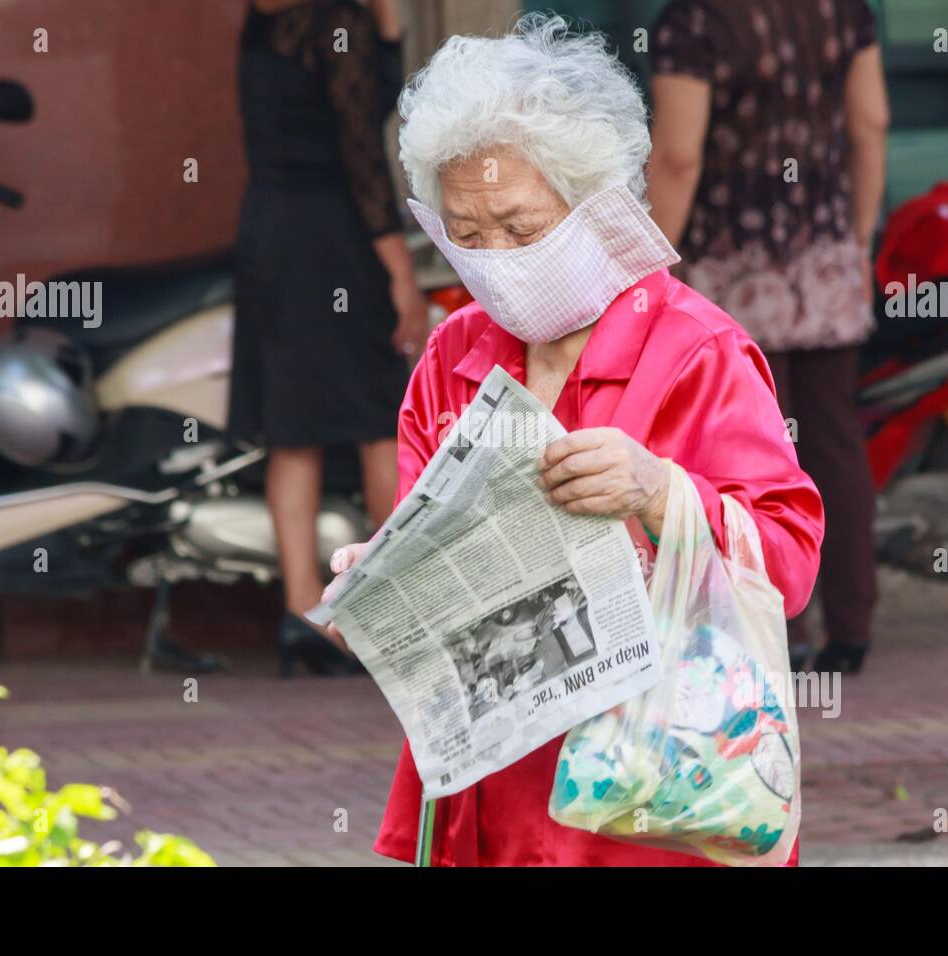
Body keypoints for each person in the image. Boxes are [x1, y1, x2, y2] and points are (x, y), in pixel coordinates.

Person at [324, 15, 823, 867]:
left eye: (520, 229)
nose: (493, 259)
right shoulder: (453, 354)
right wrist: (376, 594)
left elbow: (789, 560)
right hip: (484, 791)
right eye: (466, 235)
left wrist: (659, 491)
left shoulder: (696, 350)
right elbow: (428, 542)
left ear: (596, 205)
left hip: (645, 795)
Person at [646, 0, 889, 675]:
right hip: (825, 256)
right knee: (836, 442)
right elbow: (871, 122)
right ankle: (851, 628)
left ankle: (781, 626)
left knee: (750, 455)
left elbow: (678, 155)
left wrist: (646, 266)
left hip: (731, 266)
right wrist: (857, 237)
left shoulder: (693, 21)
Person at [230, 0, 429, 675]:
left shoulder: (266, 18)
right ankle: (390, 612)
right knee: (376, 420)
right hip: (335, 238)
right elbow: (364, 154)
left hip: (270, 230)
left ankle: (298, 614)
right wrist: (400, 271)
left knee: (295, 429)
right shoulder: (333, 23)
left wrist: (389, 29)